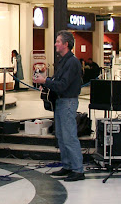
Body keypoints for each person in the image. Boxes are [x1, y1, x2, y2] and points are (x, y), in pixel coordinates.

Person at [35, 30, 85, 182]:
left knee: (69, 136)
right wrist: (47, 82)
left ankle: (77, 169)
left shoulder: (72, 62)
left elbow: (63, 85)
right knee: (62, 136)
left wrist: (45, 82)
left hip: (68, 102)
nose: (55, 44)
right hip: (61, 102)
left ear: (66, 44)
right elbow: (59, 80)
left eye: (58, 41)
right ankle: (68, 165)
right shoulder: (63, 61)